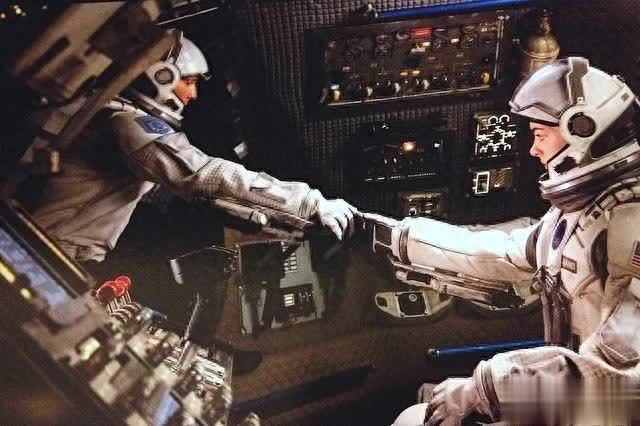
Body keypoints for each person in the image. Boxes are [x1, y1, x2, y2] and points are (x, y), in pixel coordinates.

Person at [389, 57, 640, 425]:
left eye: (540, 135)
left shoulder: (630, 228)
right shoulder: (587, 211)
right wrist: (395, 236)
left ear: (581, 131)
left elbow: (620, 381)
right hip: (578, 404)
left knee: (415, 419)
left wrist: (488, 387)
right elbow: (501, 253)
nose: (533, 150)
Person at [29, 31, 357, 264]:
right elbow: (201, 175)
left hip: (59, 249)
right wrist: (308, 202)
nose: (193, 94)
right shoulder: (124, 122)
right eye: (189, 82)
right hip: (53, 252)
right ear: (160, 76)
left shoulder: (104, 109)